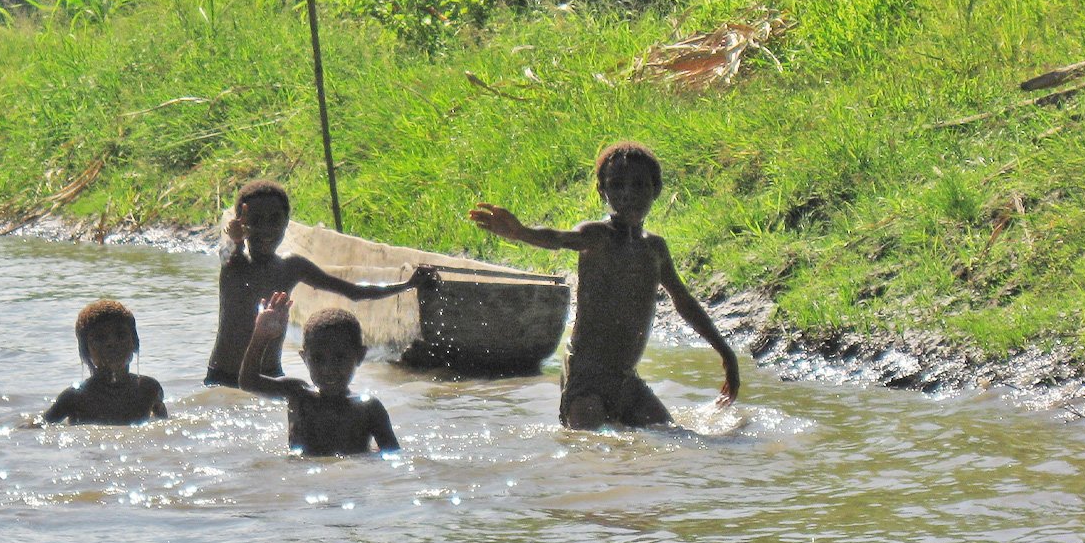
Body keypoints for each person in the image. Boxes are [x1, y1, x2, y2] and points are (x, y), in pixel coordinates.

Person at [469, 141, 739, 429]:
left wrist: (726, 353)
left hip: (626, 380)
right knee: (591, 447)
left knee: (675, 436)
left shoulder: (655, 249)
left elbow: (684, 303)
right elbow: (558, 239)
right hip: (585, 379)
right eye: (617, 185)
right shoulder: (596, 237)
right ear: (602, 191)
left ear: (656, 190)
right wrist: (521, 232)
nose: (628, 195)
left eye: (638, 185)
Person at [205, 179, 432, 386]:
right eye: (255, 221)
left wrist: (408, 285)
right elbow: (226, 254)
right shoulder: (235, 263)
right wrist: (234, 241)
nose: (266, 229)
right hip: (223, 378)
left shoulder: (290, 267)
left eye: (275, 220)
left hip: (271, 377)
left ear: (286, 223)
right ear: (240, 224)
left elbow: (353, 291)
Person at [239, 291, 398, 456]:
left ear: (359, 356)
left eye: (339, 358)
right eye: (318, 359)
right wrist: (261, 336)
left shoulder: (369, 408)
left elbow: (392, 455)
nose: (328, 369)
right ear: (304, 358)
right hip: (302, 480)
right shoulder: (299, 395)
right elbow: (248, 382)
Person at [43, 299, 167, 425]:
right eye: (100, 337)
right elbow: (37, 427)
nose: (111, 343)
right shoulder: (74, 398)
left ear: (134, 343)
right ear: (85, 351)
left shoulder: (149, 390)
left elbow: (163, 428)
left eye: (120, 335)